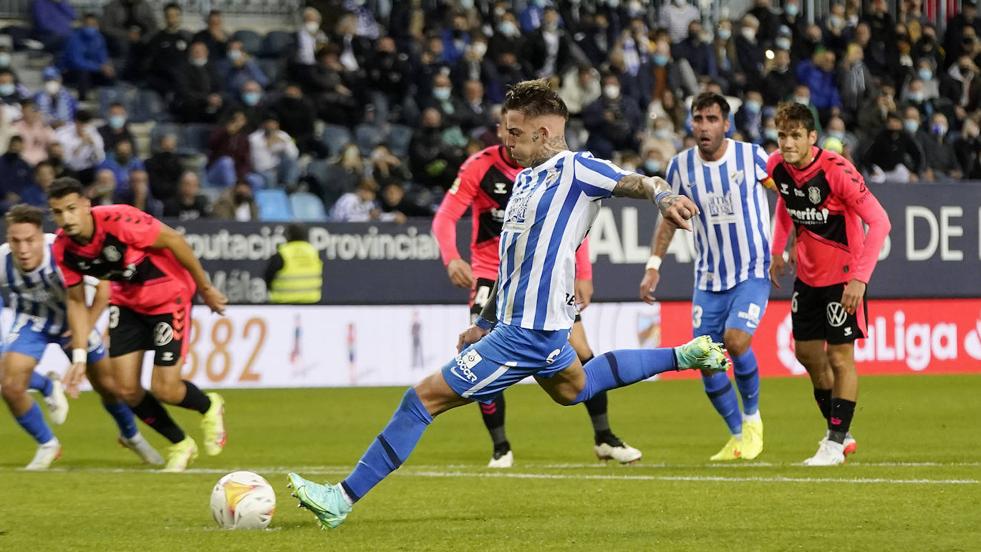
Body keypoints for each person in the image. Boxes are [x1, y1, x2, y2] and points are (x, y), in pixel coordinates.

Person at [287, 79, 726, 529]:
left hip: (527, 334)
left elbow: (636, 180)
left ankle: (340, 497)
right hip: (529, 328)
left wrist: (665, 196)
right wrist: (484, 320)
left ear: (542, 132)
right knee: (576, 388)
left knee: (421, 401)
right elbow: (510, 264)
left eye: (515, 132)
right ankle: (683, 354)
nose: (506, 139)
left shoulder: (577, 168)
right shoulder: (524, 182)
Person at [432, 109, 642, 467]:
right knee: (478, 352)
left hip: (548, 277)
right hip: (491, 276)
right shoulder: (479, 167)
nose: (511, 137)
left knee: (581, 348)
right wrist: (452, 258)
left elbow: (576, 220)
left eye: (516, 130)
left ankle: (604, 436)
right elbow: (445, 216)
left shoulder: (554, 169)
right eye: (507, 130)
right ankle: (501, 447)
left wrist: (583, 272)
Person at [47, 178, 229, 472]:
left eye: (71, 209)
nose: (66, 218)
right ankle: (181, 444)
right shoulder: (63, 249)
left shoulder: (119, 220)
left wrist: (204, 287)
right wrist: (79, 356)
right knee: (125, 389)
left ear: (86, 205)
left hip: (169, 297)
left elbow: (174, 240)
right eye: (58, 212)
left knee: (165, 390)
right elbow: (77, 301)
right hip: (127, 304)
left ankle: (209, 406)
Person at [639, 92, 772, 462]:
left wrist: (787, 248)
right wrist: (653, 265)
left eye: (712, 119)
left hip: (752, 270)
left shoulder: (752, 156)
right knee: (706, 359)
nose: (704, 126)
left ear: (726, 124)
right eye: (698, 119)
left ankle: (752, 420)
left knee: (736, 340)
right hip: (709, 278)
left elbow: (788, 195)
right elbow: (670, 218)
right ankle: (735, 436)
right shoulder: (680, 167)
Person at [768, 102, 891, 466]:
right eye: (782, 136)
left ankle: (835, 441)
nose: (787, 144)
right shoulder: (777, 165)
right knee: (806, 353)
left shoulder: (837, 171)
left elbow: (880, 222)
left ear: (812, 137)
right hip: (807, 277)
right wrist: (779, 249)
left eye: (795, 136)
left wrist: (859, 279)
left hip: (843, 278)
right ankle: (840, 432)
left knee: (840, 357)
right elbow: (785, 202)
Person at [0, 204, 163, 469]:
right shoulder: (3, 260)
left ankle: (131, 435)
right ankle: (47, 444)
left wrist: (85, 327)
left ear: (42, 237)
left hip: (75, 321)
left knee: (109, 387)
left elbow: (103, 288)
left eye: (30, 240)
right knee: (10, 385)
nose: (23, 249)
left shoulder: (62, 252)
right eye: (15, 241)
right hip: (32, 321)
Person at [264, 224, 323, 304]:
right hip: (311, 303)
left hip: (284, 303)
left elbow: (268, 276)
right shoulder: (314, 252)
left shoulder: (283, 253)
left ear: (288, 235)